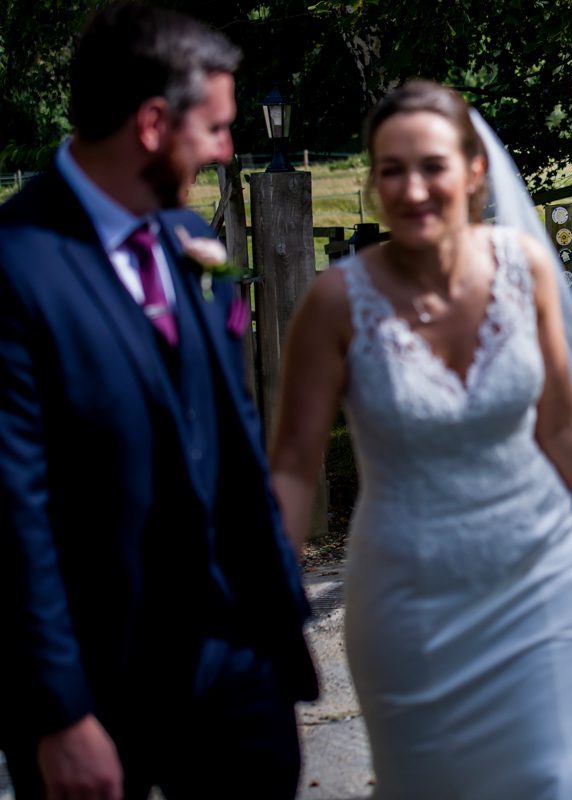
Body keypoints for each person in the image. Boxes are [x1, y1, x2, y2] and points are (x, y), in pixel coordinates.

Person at [268, 79, 572, 798]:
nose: (412, 189)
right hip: (408, 599)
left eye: (432, 167)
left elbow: (562, 422)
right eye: (391, 170)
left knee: (550, 780)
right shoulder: (335, 303)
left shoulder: (525, 267)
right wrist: (271, 600)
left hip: (538, 582)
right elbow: (293, 466)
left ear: (475, 172)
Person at [0, 4, 317, 798]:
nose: (227, 149)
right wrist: (59, 715)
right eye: (214, 128)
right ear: (150, 124)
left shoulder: (178, 233)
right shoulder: (15, 267)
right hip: (100, 687)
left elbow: (231, 423)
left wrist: (275, 610)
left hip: (239, 661)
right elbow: (13, 510)